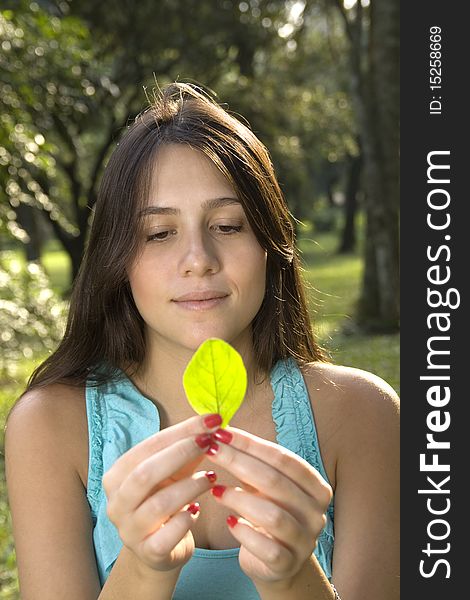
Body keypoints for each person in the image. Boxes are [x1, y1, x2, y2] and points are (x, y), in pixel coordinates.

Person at [5, 82, 399, 600]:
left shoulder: (365, 414)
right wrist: (145, 567)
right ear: (119, 259)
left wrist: (293, 577)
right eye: (159, 233)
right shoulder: (48, 426)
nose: (198, 258)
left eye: (228, 225)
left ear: (270, 246)